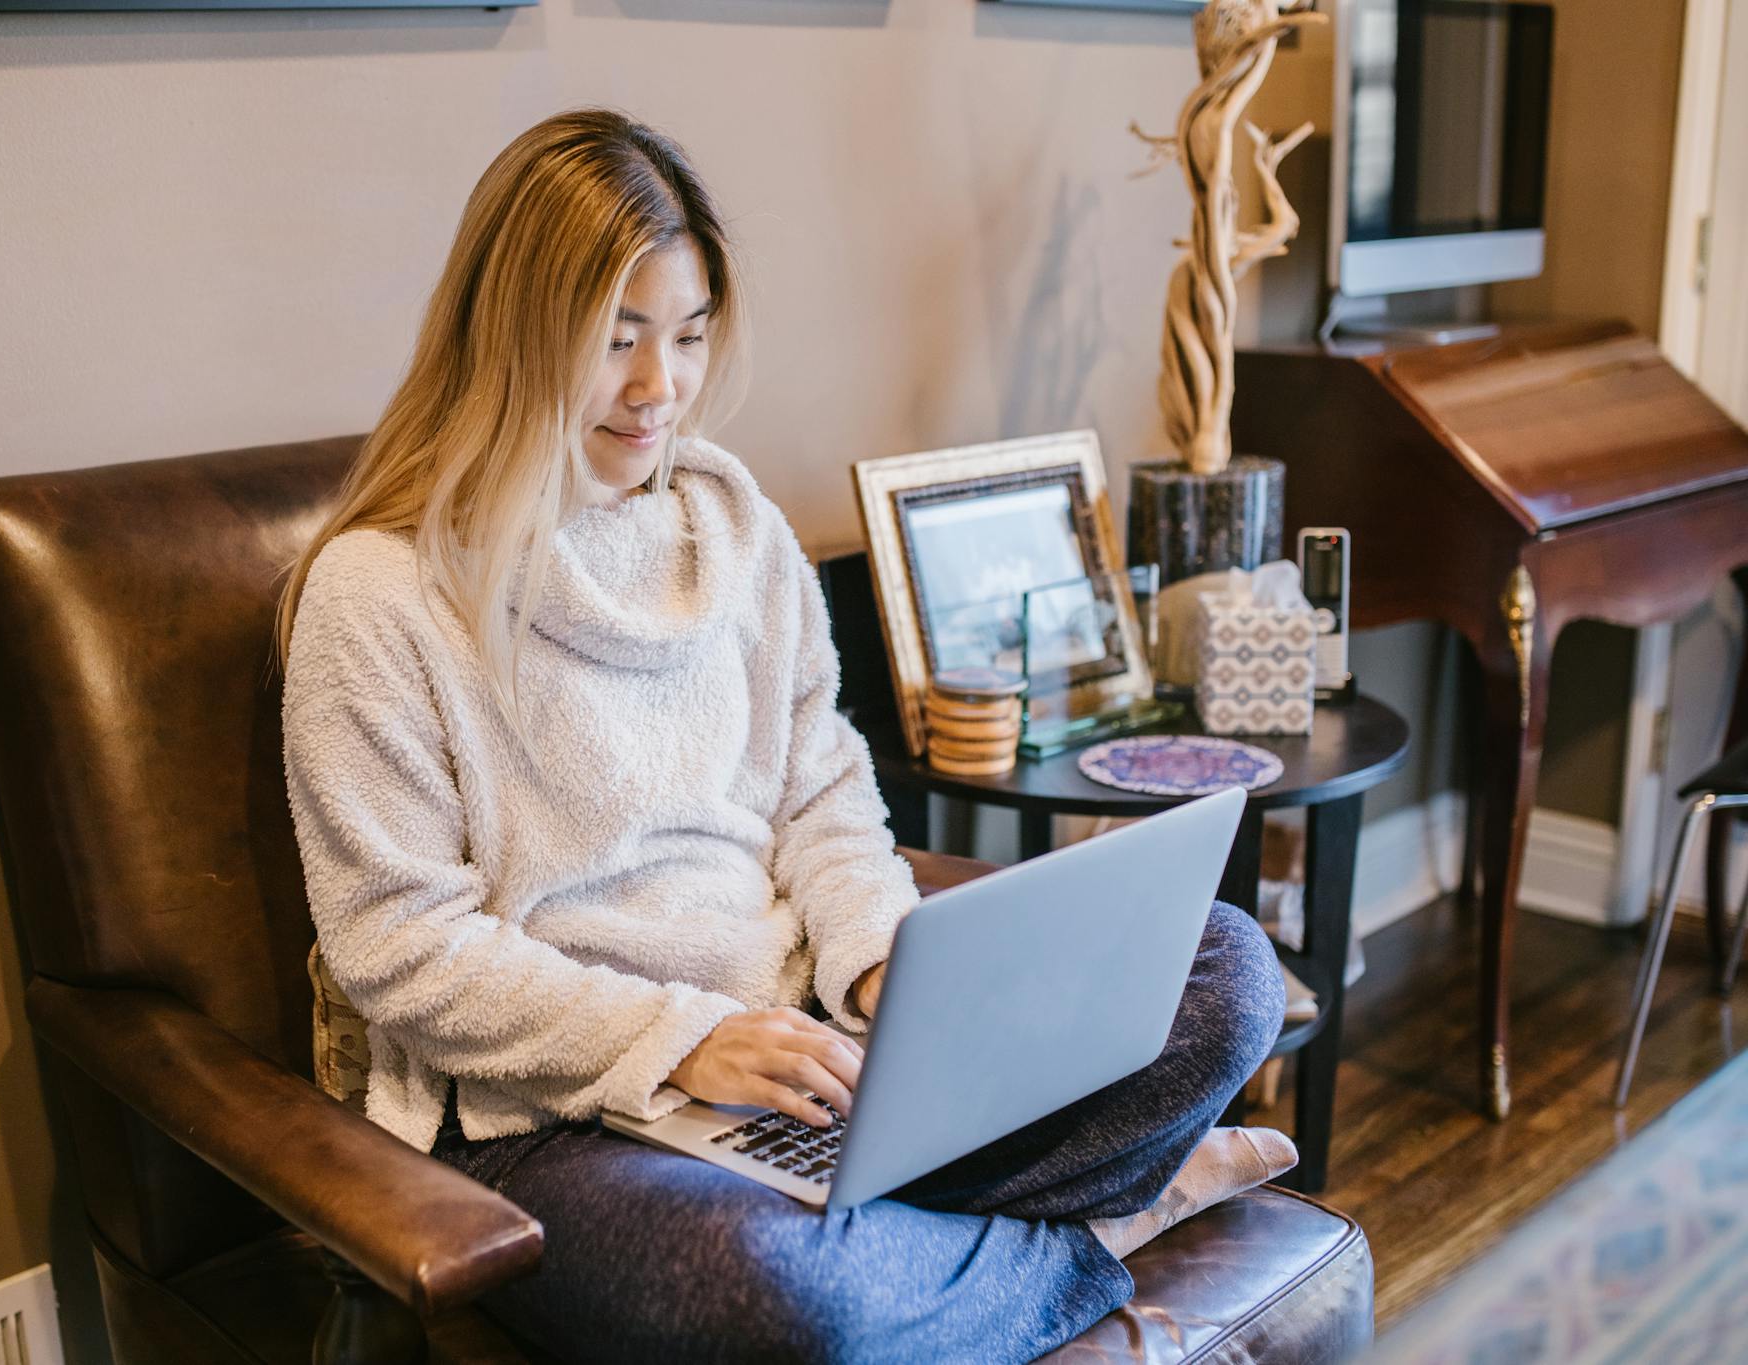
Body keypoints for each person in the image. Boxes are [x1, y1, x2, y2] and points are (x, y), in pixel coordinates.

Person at [277, 107, 1293, 1365]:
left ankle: (910, 1227)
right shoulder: (377, 595)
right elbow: (399, 949)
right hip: (551, 1111)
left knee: (1223, 971)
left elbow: (823, 796)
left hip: (808, 1043)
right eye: (616, 340)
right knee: (781, 1305)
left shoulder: (733, 528)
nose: (660, 388)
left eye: (689, 335)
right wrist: (687, 1041)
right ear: (514, 334)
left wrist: (877, 965)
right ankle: (1102, 1224)